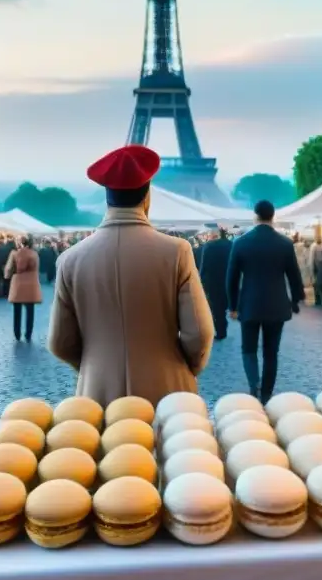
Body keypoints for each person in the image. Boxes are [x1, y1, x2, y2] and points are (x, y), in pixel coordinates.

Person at [48, 145, 214, 405]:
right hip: (167, 388)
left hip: (97, 390)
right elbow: (199, 334)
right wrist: (187, 367)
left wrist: (94, 363)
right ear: (147, 196)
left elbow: (59, 341)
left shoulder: (69, 260)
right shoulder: (177, 251)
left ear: (107, 198)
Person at [226, 200, 304, 402]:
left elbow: (231, 278)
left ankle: (255, 384)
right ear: (273, 216)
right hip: (277, 306)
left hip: (249, 305)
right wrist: (295, 300)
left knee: (248, 349)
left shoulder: (240, 243)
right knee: (271, 352)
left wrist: (233, 306)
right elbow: (294, 276)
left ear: (255, 216)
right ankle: (267, 393)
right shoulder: (285, 244)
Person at [6, 235, 42, 342]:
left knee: (17, 311)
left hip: (18, 284)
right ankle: (28, 334)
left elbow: (8, 271)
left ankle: (17, 333)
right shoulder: (34, 254)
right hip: (31, 284)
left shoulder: (15, 254)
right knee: (30, 311)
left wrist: (9, 274)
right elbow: (37, 268)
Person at [199, 228, 232, 340]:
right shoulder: (231, 245)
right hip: (229, 279)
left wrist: (201, 280)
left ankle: (221, 330)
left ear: (214, 235)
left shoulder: (208, 246)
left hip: (213, 281)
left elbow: (204, 266)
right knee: (224, 303)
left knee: (217, 307)